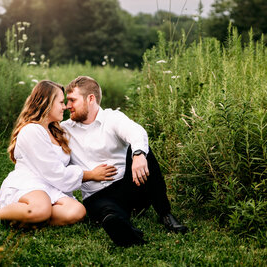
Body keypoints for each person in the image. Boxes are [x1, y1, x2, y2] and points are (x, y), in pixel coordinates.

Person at [0, 80, 116, 225]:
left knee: (77, 212)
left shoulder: (58, 132)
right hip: (30, 184)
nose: (65, 106)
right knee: (41, 208)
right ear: (46, 103)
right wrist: (91, 174)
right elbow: (55, 173)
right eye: (61, 102)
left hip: (53, 187)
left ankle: (28, 217)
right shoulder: (31, 130)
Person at [61, 76, 188, 246]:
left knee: (142, 150)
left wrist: (138, 155)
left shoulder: (111, 118)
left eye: (72, 100)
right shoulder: (64, 129)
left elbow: (136, 131)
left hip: (130, 186)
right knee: (109, 215)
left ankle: (165, 214)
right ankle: (124, 230)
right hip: (97, 196)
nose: (68, 105)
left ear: (90, 99)